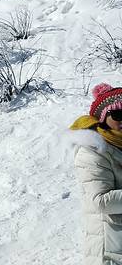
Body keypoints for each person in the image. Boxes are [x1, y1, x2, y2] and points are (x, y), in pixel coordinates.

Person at [70, 83, 122, 264]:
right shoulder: (93, 151)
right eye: (118, 114)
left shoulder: (118, 145)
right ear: (102, 117)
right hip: (110, 251)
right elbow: (100, 201)